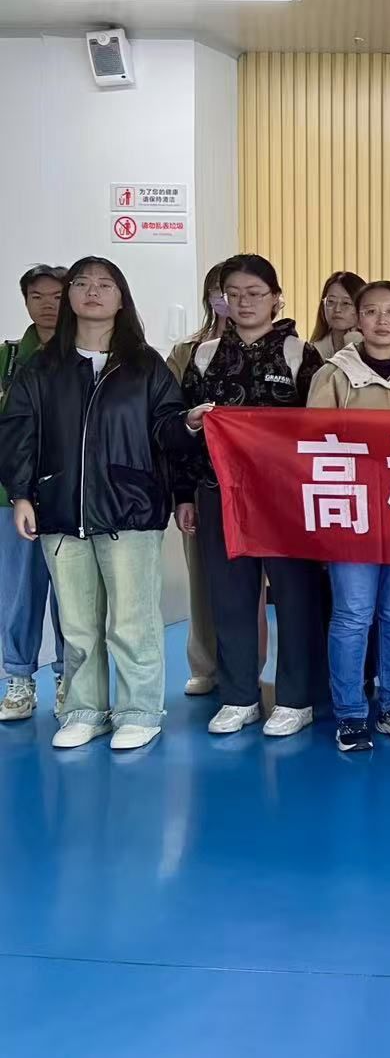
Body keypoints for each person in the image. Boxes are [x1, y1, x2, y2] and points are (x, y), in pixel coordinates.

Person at [0, 258, 194, 751]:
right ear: (70, 296)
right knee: (78, 625)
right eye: (82, 283)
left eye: (104, 284)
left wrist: (188, 425)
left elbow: (166, 427)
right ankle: (84, 710)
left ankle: (139, 711)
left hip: (130, 511)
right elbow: (19, 431)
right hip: (61, 510)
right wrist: (22, 493)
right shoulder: (43, 367)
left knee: (132, 621)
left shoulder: (145, 364)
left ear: (121, 298)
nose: (92, 291)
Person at [179, 254, 329, 738]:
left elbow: (320, 431)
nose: (244, 303)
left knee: (295, 596)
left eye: (255, 293)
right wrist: (184, 492)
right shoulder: (204, 356)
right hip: (219, 493)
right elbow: (180, 429)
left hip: (286, 497)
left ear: (276, 299)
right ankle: (239, 696)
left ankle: (296, 699)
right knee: (230, 596)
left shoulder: (301, 355)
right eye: (234, 294)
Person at [307, 280, 390, 752]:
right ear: (356, 319)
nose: (382, 321)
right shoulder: (333, 374)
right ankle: (350, 713)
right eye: (371, 311)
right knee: (352, 614)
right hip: (353, 512)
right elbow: (313, 445)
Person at [0, 265, 67, 722]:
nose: (47, 306)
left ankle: (69, 679)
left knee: (71, 596)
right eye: (37, 297)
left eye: (57, 297)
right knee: (18, 592)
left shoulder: (81, 356)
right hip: (11, 495)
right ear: (25, 302)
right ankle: (19, 680)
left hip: (67, 493)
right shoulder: (8, 358)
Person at [164, 264, 231, 699]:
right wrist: (181, 492)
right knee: (203, 580)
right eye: (220, 292)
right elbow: (169, 419)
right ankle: (205, 664)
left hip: (255, 485)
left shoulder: (280, 349)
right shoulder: (187, 351)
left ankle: (246, 667)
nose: (231, 300)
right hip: (200, 478)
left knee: (252, 587)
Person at [309, 271, 365, 360]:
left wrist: (354, 344)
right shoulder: (312, 350)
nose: (337, 309)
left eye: (346, 303)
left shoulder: (376, 349)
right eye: (331, 301)